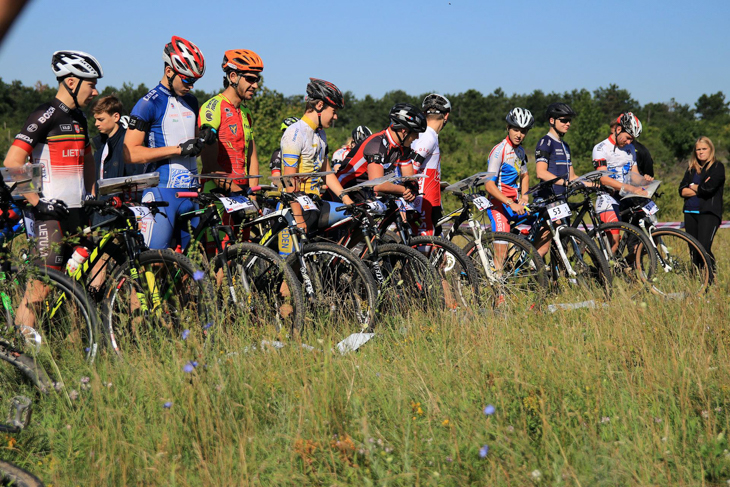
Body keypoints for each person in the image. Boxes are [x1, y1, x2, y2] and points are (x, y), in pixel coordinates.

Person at [2, 50, 102, 345]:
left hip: (75, 212)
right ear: (71, 81)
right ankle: (18, 349)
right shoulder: (46, 114)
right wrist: (37, 201)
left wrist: (92, 194)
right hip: (48, 215)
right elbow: (12, 161)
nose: (95, 92)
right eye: (90, 84)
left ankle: (73, 347)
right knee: (41, 286)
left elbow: (89, 160)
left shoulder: (80, 118)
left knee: (74, 285)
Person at [123, 36, 206, 250]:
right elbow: (130, 153)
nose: (190, 85)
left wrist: (203, 140)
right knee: (157, 262)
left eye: (194, 81)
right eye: (187, 80)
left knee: (190, 267)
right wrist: (178, 150)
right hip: (162, 192)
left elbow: (192, 148)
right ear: (169, 71)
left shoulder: (192, 101)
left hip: (190, 191)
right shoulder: (147, 103)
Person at [277, 78, 354, 254]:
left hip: (313, 204)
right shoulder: (295, 133)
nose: (335, 117)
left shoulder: (320, 134)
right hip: (294, 208)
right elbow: (289, 180)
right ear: (319, 105)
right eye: (333, 111)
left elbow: (326, 171)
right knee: (291, 272)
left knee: (357, 216)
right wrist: (298, 219)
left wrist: (345, 198)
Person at [199, 49, 263, 192]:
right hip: (217, 191)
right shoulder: (213, 107)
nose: (255, 85)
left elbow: (252, 157)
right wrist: (238, 193)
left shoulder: (246, 112)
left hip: (241, 190)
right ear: (233, 77)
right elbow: (210, 165)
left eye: (257, 79)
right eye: (250, 79)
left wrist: (252, 194)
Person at [336, 103, 425, 197]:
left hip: (363, 193)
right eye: (415, 133)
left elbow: (409, 178)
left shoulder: (403, 147)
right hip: (342, 191)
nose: (417, 137)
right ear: (404, 131)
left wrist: (412, 187)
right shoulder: (377, 144)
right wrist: (405, 190)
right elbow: (378, 185)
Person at [591, 112, 653, 226]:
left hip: (626, 195)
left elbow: (634, 175)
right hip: (608, 197)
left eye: (632, 139)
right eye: (628, 138)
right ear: (618, 129)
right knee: (614, 240)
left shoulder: (630, 148)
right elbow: (604, 179)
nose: (629, 142)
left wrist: (644, 181)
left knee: (641, 234)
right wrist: (632, 188)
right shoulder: (601, 148)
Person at [679, 136, 725, 279]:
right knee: (693, 250)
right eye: (698, 149)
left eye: (704, 149)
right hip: (690, 212)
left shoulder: (717, 167)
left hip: (708, 212)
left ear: (710, 149)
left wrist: (693, 188)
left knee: (704, 247)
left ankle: (710, 279)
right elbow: (681, 190)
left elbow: (709, 189)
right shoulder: (691, 168)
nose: (701, 152)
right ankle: (697, 279)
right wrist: (698, 187)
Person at [484, 108, 533, 234]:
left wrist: (525, 196)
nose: (519, 135)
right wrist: (511, 203)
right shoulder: (499, 150)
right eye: (515, 130)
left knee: (541, 219)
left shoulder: (520, 151)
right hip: (499, 204)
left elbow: (525, 175)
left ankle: (527, 251)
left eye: (523, 131)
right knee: (501, 253)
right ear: (508, 128)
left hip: (514, 203)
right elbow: (489, 185)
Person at [411, 94, 450, 235]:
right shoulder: (428, 136)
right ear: (446, 116)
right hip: (424, 199)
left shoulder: (424, 134)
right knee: (426, 247)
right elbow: (414, 166)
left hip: (428, 196)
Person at [535, 103, 576, 199]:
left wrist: (595, 185)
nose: (568, 124)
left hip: (562, 199)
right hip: (547, 199)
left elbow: (572, 177)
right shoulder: (545, 142)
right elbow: (541, 173)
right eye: (564, 120)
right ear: (552, 120)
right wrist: (565, 183)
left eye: (569, 121)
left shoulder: (565, 145)